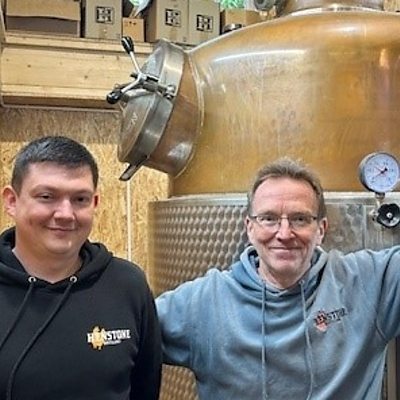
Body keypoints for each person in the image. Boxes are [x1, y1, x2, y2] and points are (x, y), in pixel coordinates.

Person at [156, 157, 400, 400]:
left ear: (321, 229)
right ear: (250, 228)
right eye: (269, 218)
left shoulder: (367, 283)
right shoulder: (205, 303)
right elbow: (135, 330)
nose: (284, 234)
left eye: (300, 219)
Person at [0, 136, 162, 400]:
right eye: (46, 196)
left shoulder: (127, 286)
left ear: (94, 203)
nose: (65, 213)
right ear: (11, 201)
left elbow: (145, 389)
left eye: (80, 199)